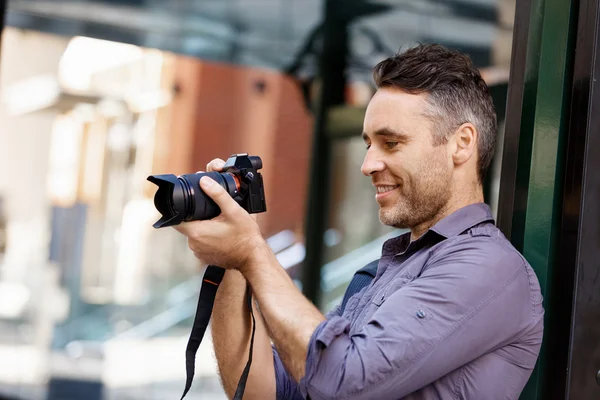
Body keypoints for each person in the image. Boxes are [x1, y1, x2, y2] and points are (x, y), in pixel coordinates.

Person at [174, 44, 544, 400]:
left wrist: (253, 253)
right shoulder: (380, 273)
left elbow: (344, 383)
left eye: (392, 143)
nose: (368, 165)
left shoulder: (488, 268)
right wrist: (233, 261)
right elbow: (262, 390)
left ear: (461, 143)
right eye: (369, 144)